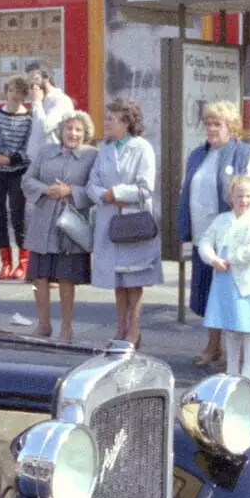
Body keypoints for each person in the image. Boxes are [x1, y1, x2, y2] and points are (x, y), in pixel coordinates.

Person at [179, 100, 250, 369]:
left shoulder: (246, 155)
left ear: (232, 126)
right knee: (209, 293)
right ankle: (213, 345)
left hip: (233, 238)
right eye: (207, 123)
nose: (211, 128)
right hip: (204, 235)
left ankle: (235, 352)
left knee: (233, 295)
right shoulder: (198, 154)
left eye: (217, 124)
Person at [88, 97, 159, 346]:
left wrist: (116, 194)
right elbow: (92, 183)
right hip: (110, 220)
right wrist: (102, 195)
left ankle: (134, 329)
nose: (106, 123)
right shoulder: (105, 149)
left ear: (127, 122)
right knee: (117, 280)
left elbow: (146, 187)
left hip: (133, 222)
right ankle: (120, 328)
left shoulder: (142, 148)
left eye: (111, 119)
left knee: (134, 279)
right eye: (106, 118)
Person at [22, 110, 98, 341]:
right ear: (61, 130)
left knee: (66, 278)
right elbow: (27, 179)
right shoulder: (46, 151)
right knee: (39, 277)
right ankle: (43, 324)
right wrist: (45, 190)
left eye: (78, 130)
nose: (72, 133)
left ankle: (67, 327)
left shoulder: (92, 155)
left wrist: (70, 191)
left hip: (71, 224)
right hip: (43, 222)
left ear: (85, 134)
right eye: (69, 128)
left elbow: (95, 189)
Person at [199, 175, 250, 382]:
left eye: (248, 196)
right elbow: (205, 241)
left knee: (249, 328)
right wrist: (212, 258)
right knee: (230, 328)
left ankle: (248, 371)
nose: (244, 200)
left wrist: (231, 258)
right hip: (224, 278)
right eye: (239, 195)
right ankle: (232, 369)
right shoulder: (222, 219)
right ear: (231, 196)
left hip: (247, 281)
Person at [0, 75, 36, 279]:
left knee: (18, 217)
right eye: (11, 90)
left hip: (17, 172)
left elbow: (30, 148)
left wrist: (11, 160)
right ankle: (5, 263)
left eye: (19, 92)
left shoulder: (29, 119)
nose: (15, 95)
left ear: (24, 95)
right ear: (6, 92)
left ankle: (23, 263)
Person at [25, 63, 75, 158]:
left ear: (46, 77)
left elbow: (45, 128)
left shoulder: (61, 100)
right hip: (36, 161)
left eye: (35, 78)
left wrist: (36, 102)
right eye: (29, 80)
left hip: (53, 160)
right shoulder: (41, 101)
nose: (31, 84)